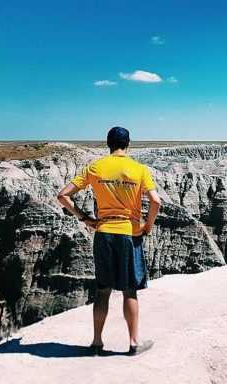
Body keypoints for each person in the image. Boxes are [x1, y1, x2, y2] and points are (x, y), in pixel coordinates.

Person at [57, 126, 161, 356]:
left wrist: (85, 218)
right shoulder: (139, 169)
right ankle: (133, 343)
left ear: (108, 144)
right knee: (129, 291)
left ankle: (96, 343)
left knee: (102, 290)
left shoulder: (95, 167)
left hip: (103, 233)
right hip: (128, 234)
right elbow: (156, 202)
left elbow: (63, 195)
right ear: (128, 144)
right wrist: (147, 227)